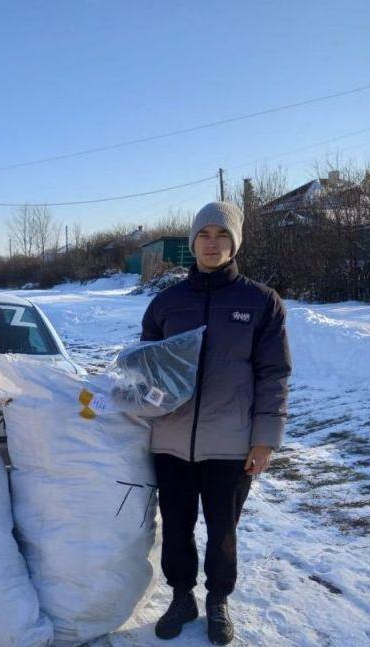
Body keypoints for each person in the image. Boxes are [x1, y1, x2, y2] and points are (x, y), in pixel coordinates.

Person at [141, 202, 291, 645]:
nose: (212, 242)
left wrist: (265, 439)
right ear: (192, 243)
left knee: (223, 530)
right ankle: (182, 596)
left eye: (221, 234)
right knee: (177, 524)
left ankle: (218, 600)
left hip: (231, 443)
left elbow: (274, 374)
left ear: (234, 242)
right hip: (170, 440)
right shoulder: (167, 302)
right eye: (204, 234)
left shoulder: (260, 302)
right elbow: (145, 369)